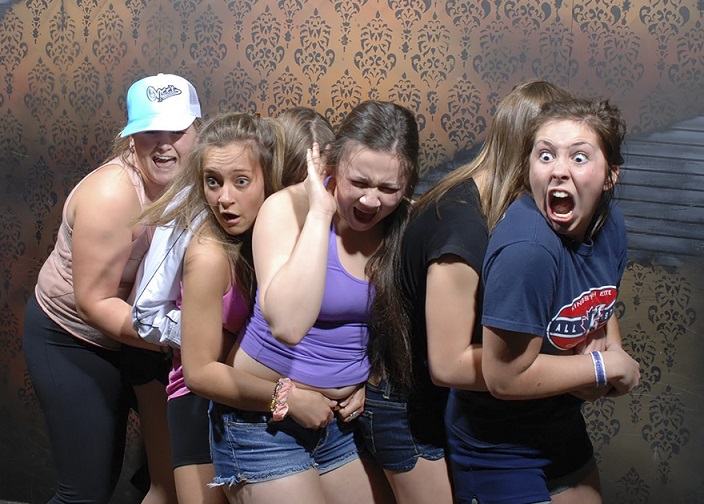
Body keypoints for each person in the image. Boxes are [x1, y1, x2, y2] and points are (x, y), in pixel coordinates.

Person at [188, 100, 418, 504]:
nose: (370, 201)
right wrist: (319, 214)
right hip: (263, 425)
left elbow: (397, 326)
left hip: (340, 423)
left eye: (388, 189)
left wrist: (369, 380)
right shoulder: (287, 209)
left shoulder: (402, 225)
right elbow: (288, 325)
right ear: (333, 164)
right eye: (358, 182)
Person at [362, 81, 574, 504]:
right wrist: (566, 369)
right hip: (408, 411)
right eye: (551, 154)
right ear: (526, 151)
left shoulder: (493, 207)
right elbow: (448, 364)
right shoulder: (462, 227)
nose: (562, 170)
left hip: (446, 408)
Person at [132, 107, 336, 504]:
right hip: (201, 404)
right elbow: (200, 374)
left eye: (241, 181)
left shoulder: (274, 233)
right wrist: (288, 397)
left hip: (259, 398)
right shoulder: (209, 255)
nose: (224, 199)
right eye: (213, 182)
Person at [446, 97, 642, 504]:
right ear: (529, 168)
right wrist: (601, 367)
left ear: (611, 175)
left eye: (579, 157)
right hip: (498, 447)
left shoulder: (611, 225)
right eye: (546, 155)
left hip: (560, 426)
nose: (559, 170)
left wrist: (607, 362)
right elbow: (504, 377)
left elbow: (599, 301)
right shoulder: (528, 250)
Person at [23, 73, 201, 504]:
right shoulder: (112, 194)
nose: (164, 144)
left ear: (198, 128)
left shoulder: (203, 178)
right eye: (150, 131)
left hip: (141, 339)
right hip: (74, 338)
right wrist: (184, 336)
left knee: (177, 474)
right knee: (87, 491)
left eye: (176, 130)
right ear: (131, 136)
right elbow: (95, 302)